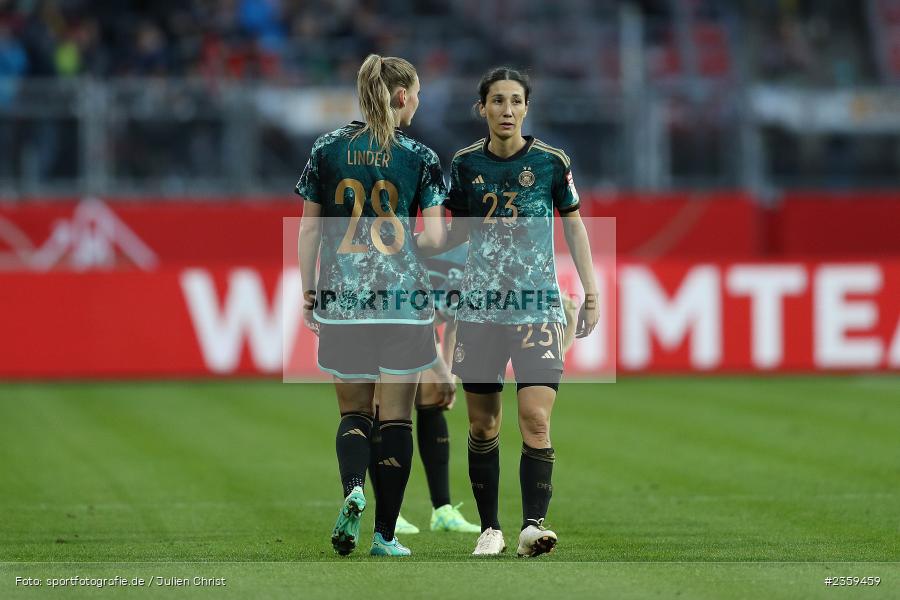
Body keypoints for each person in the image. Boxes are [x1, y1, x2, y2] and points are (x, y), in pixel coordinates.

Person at [441, 67, 600, 557]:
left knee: (535, 419)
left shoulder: (551, 162)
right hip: (481, 311)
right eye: (497, 102)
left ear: (526, 108)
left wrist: (589, 291)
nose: (507, 110)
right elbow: (457, 233)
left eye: (515, 101)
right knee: (483, 425)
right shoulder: (466, 164)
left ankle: (533, 525)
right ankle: (490, 528)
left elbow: (573, 227)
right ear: (482, 108)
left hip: (536, 309)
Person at [296, 54, 447, 557]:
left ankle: (352, 489)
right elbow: (436, 237)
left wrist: (308, 291)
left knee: (354, 413)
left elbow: (310, 228)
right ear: (401, 96)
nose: (418, 103)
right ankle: (385, 535)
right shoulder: (420, 157)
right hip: (403, 304)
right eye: (417, 94)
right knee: (398, 419)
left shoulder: (327, 149)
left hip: (344, 299)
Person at [370, 242, 480, 536]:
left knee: (433, 398)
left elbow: (456, 320)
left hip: (424, 328)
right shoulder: (412, 250)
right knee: (384, 406)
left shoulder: (471, 256)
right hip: (391, 324)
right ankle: (388, 510)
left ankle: (442, 510)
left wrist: (449, 375)